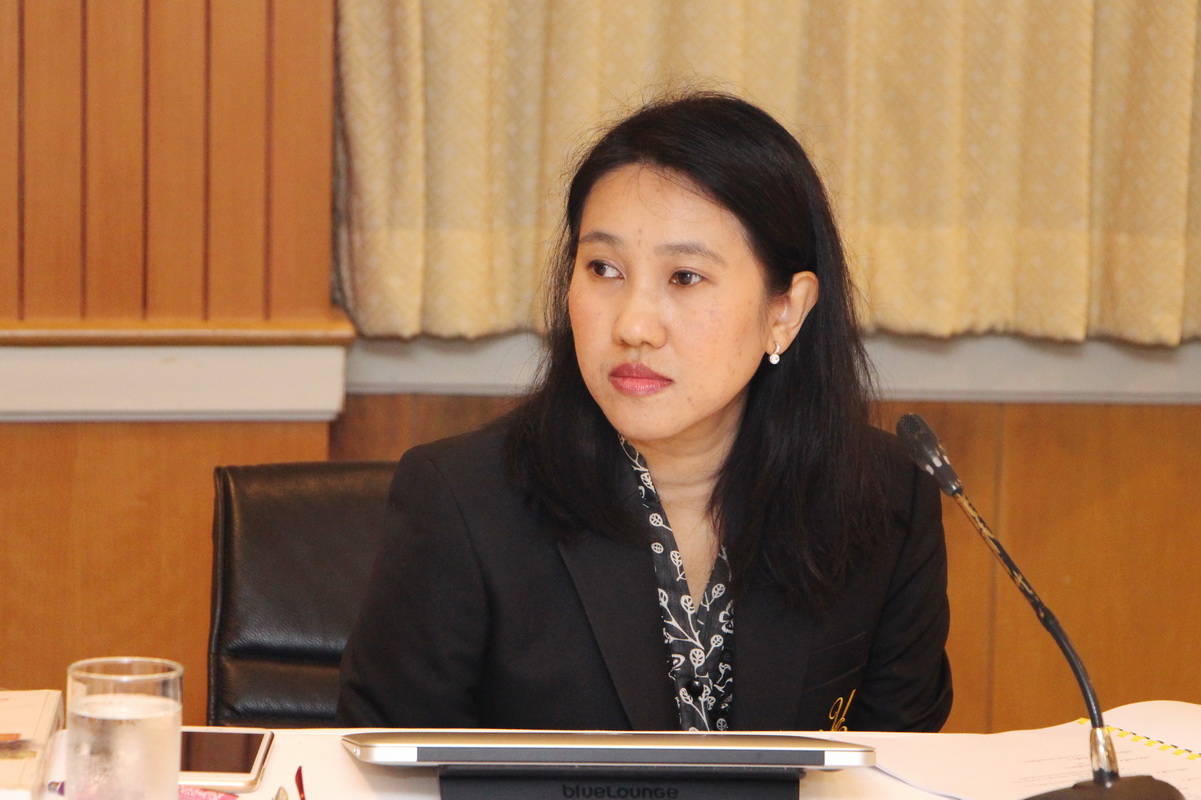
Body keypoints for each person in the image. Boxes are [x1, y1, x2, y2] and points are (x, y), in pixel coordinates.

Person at [336, 91, 952, 733]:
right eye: (603, 269)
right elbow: (382, 766)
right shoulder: (463, 502)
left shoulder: (886, 498)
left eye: (685, 277)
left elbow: (902, 765)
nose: (632, 326)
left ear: (785, 311)